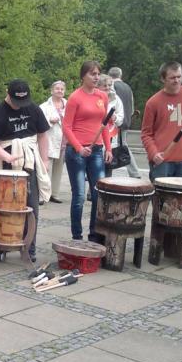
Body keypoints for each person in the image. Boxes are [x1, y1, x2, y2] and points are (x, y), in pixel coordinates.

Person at [0, 79, 50, 262]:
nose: (20, 105)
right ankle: (1, 246)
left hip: (29, 161)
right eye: (16, 101)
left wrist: (44, 160)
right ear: (8, 94)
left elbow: (43, 134)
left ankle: (30, 247)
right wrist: (6, 157)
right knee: (4, 206)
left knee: (31, 206)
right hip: (6, 165)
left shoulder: (34, 109)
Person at [63, 61, 113, 242]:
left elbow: (104, 124)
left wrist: (108, 147)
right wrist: (78, 147)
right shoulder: (75, 97)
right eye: (92, 74)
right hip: (77, 152)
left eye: (98, 74)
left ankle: (94, 235)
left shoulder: (102, 97)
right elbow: (66, 126)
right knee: (79, 196)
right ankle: (77, 236)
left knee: (98, 193)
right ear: (83, 76)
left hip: (97, 150)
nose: (96, 77)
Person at [141, 61, 182, 181]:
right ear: (163, 79)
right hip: (163, 160)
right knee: (162, 197)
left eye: (179, 77)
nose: (177, 80)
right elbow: (146, 134)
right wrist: (154, 153)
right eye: (172, 78)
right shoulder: (153, 102)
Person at [108, 66, 141, 178]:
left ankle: (133, 172)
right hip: (125, 120)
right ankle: (134, 173)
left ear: (109, 75)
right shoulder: (128, 87)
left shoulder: (111, 86)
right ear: (120, 75)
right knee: (123, 146)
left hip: (114, 122)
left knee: (114, 146)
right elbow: (131, 107)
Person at [39, 81, 68, 203]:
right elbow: (39, 125)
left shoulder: (69, 105)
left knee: (58, 168)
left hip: (64, 140)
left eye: (62, 89)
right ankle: (42, 195)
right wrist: (50, 120)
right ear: (52, 90)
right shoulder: (44, 106)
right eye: (57, 88)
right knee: (45, 168)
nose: (60, 91)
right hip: (50, 140)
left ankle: (54, 194)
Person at [97, 74, 124, 178]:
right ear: (98, 86)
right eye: (104, 85)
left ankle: (106, 191)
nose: (107, 88)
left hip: (111, 137)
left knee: (108, 168)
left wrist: (115, 117)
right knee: (95, 170)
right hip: (96, 137)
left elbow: (121, 119)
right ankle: (92, 193)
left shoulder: (116, 99)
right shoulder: (94, 98)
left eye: (109, 85)